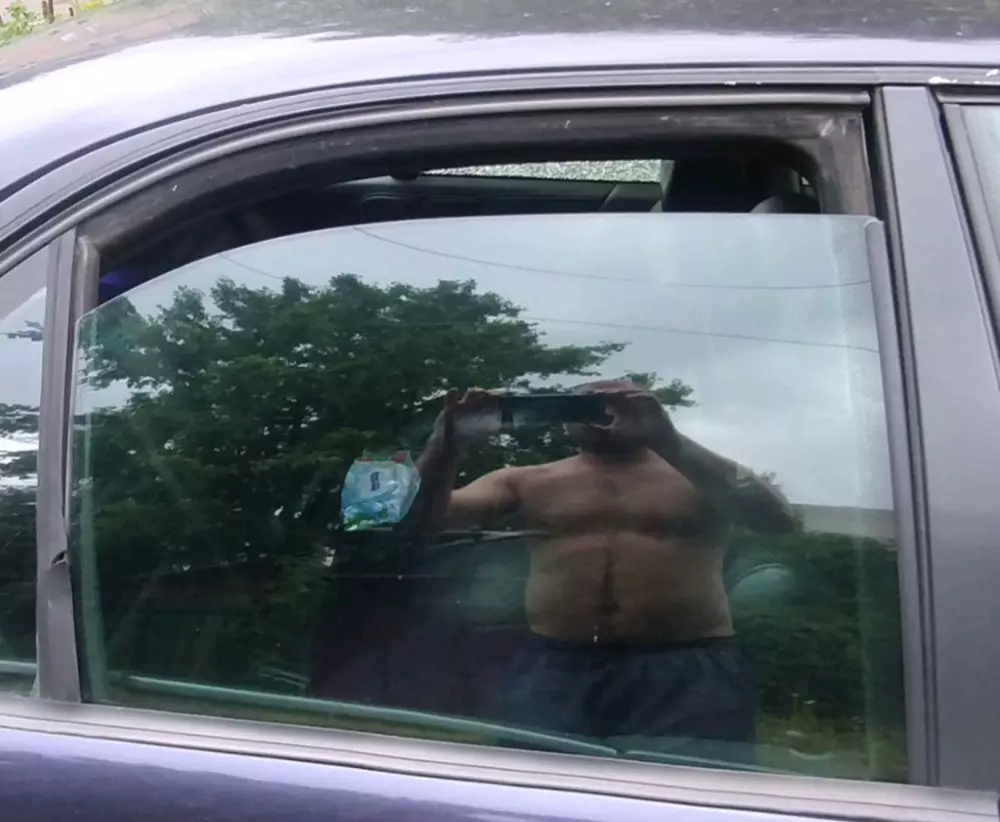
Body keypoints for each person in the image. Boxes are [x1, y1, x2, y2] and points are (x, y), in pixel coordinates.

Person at [402, 380, 795, 760]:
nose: (601, 412)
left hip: (685, 668)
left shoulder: (700, 479)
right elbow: (415, 522)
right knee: (538, 787)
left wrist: (668, 440)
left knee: (685, 790)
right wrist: (447, 442)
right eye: (585, 403)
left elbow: (776, 520)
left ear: (652, 412)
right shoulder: (526, 481)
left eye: (618, 404)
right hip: (556, 666)